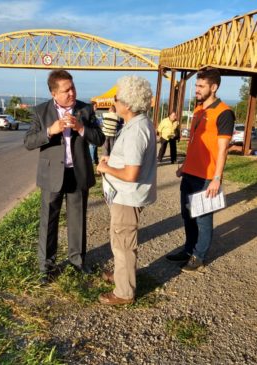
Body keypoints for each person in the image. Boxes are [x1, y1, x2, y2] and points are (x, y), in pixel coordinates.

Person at [24, 70, 105, 284]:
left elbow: (100, 139)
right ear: (54, 93)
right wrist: (50, 131)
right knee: (48, 221)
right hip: (52, 175)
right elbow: (29, 142)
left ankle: (77, 261)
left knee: (77, 219)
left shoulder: (85, 109)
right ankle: (46, 266)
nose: (71, 93)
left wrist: (80, 128)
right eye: (66, 90)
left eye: (73, 88)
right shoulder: (41, 112)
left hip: (78, 173)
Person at [167, 67, 235, 273]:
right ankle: (189, 249)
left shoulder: (224, 112)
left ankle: (199, 256)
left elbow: (222, 149)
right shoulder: (198, 109)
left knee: (203, 219)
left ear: (213, 87)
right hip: (190, 173)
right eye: (196, 85)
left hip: (207, 177)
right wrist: (184, 165)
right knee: (187, 215)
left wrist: (217, 178)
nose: (196, 89)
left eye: (201, 86)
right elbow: (196, 143)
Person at [96, 76, 157, 305]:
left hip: (127, 197)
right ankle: (122, 276)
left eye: (117, 98)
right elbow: (130, 160)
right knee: (120, 240)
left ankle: (124, 292)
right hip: (125, 196)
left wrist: (105, 167)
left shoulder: (135, 130)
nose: (114, 102)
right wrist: (112, 159)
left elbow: (132, 174)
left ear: (128, 104)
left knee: (123, 244)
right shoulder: (138, 123)